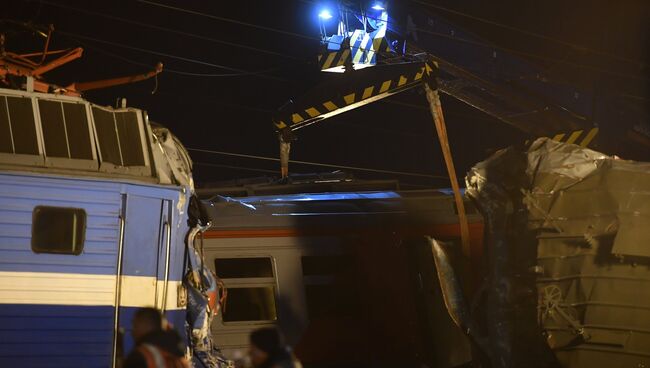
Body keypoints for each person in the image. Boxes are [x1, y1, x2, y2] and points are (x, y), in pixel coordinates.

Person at [123, 307, 190, 368]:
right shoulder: (181, 361)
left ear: (145, 325)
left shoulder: (140, 357)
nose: (132, 332)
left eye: (135, 325)